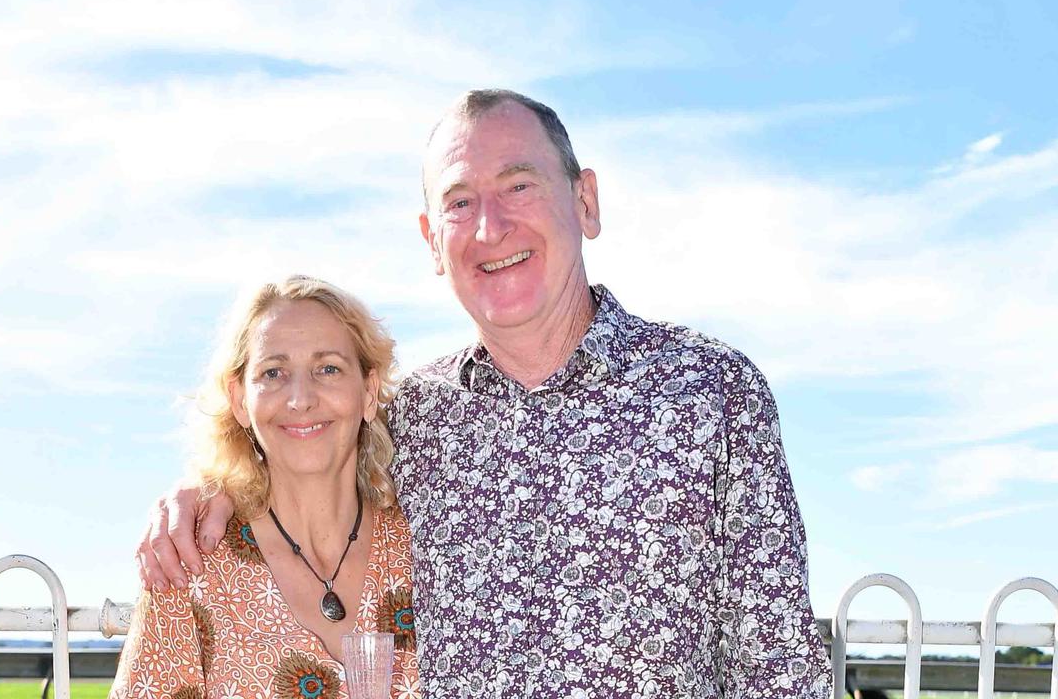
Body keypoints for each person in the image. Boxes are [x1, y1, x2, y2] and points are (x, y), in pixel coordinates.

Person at [138, 89, 833, 697]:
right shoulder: (408, 417)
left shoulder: (709, 392)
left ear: (585, 201)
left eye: (519, 186)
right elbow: (297, 460)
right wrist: (201, 500)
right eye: (459, 202)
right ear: (432, 242)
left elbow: (779, 664)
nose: (488, 227)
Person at [113, 276, 419, 699]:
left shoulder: (425, 548)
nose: (300, 399)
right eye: (273, 373)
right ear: (240, 401)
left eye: (327, 368)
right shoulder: (191, 564)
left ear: (368, 392)